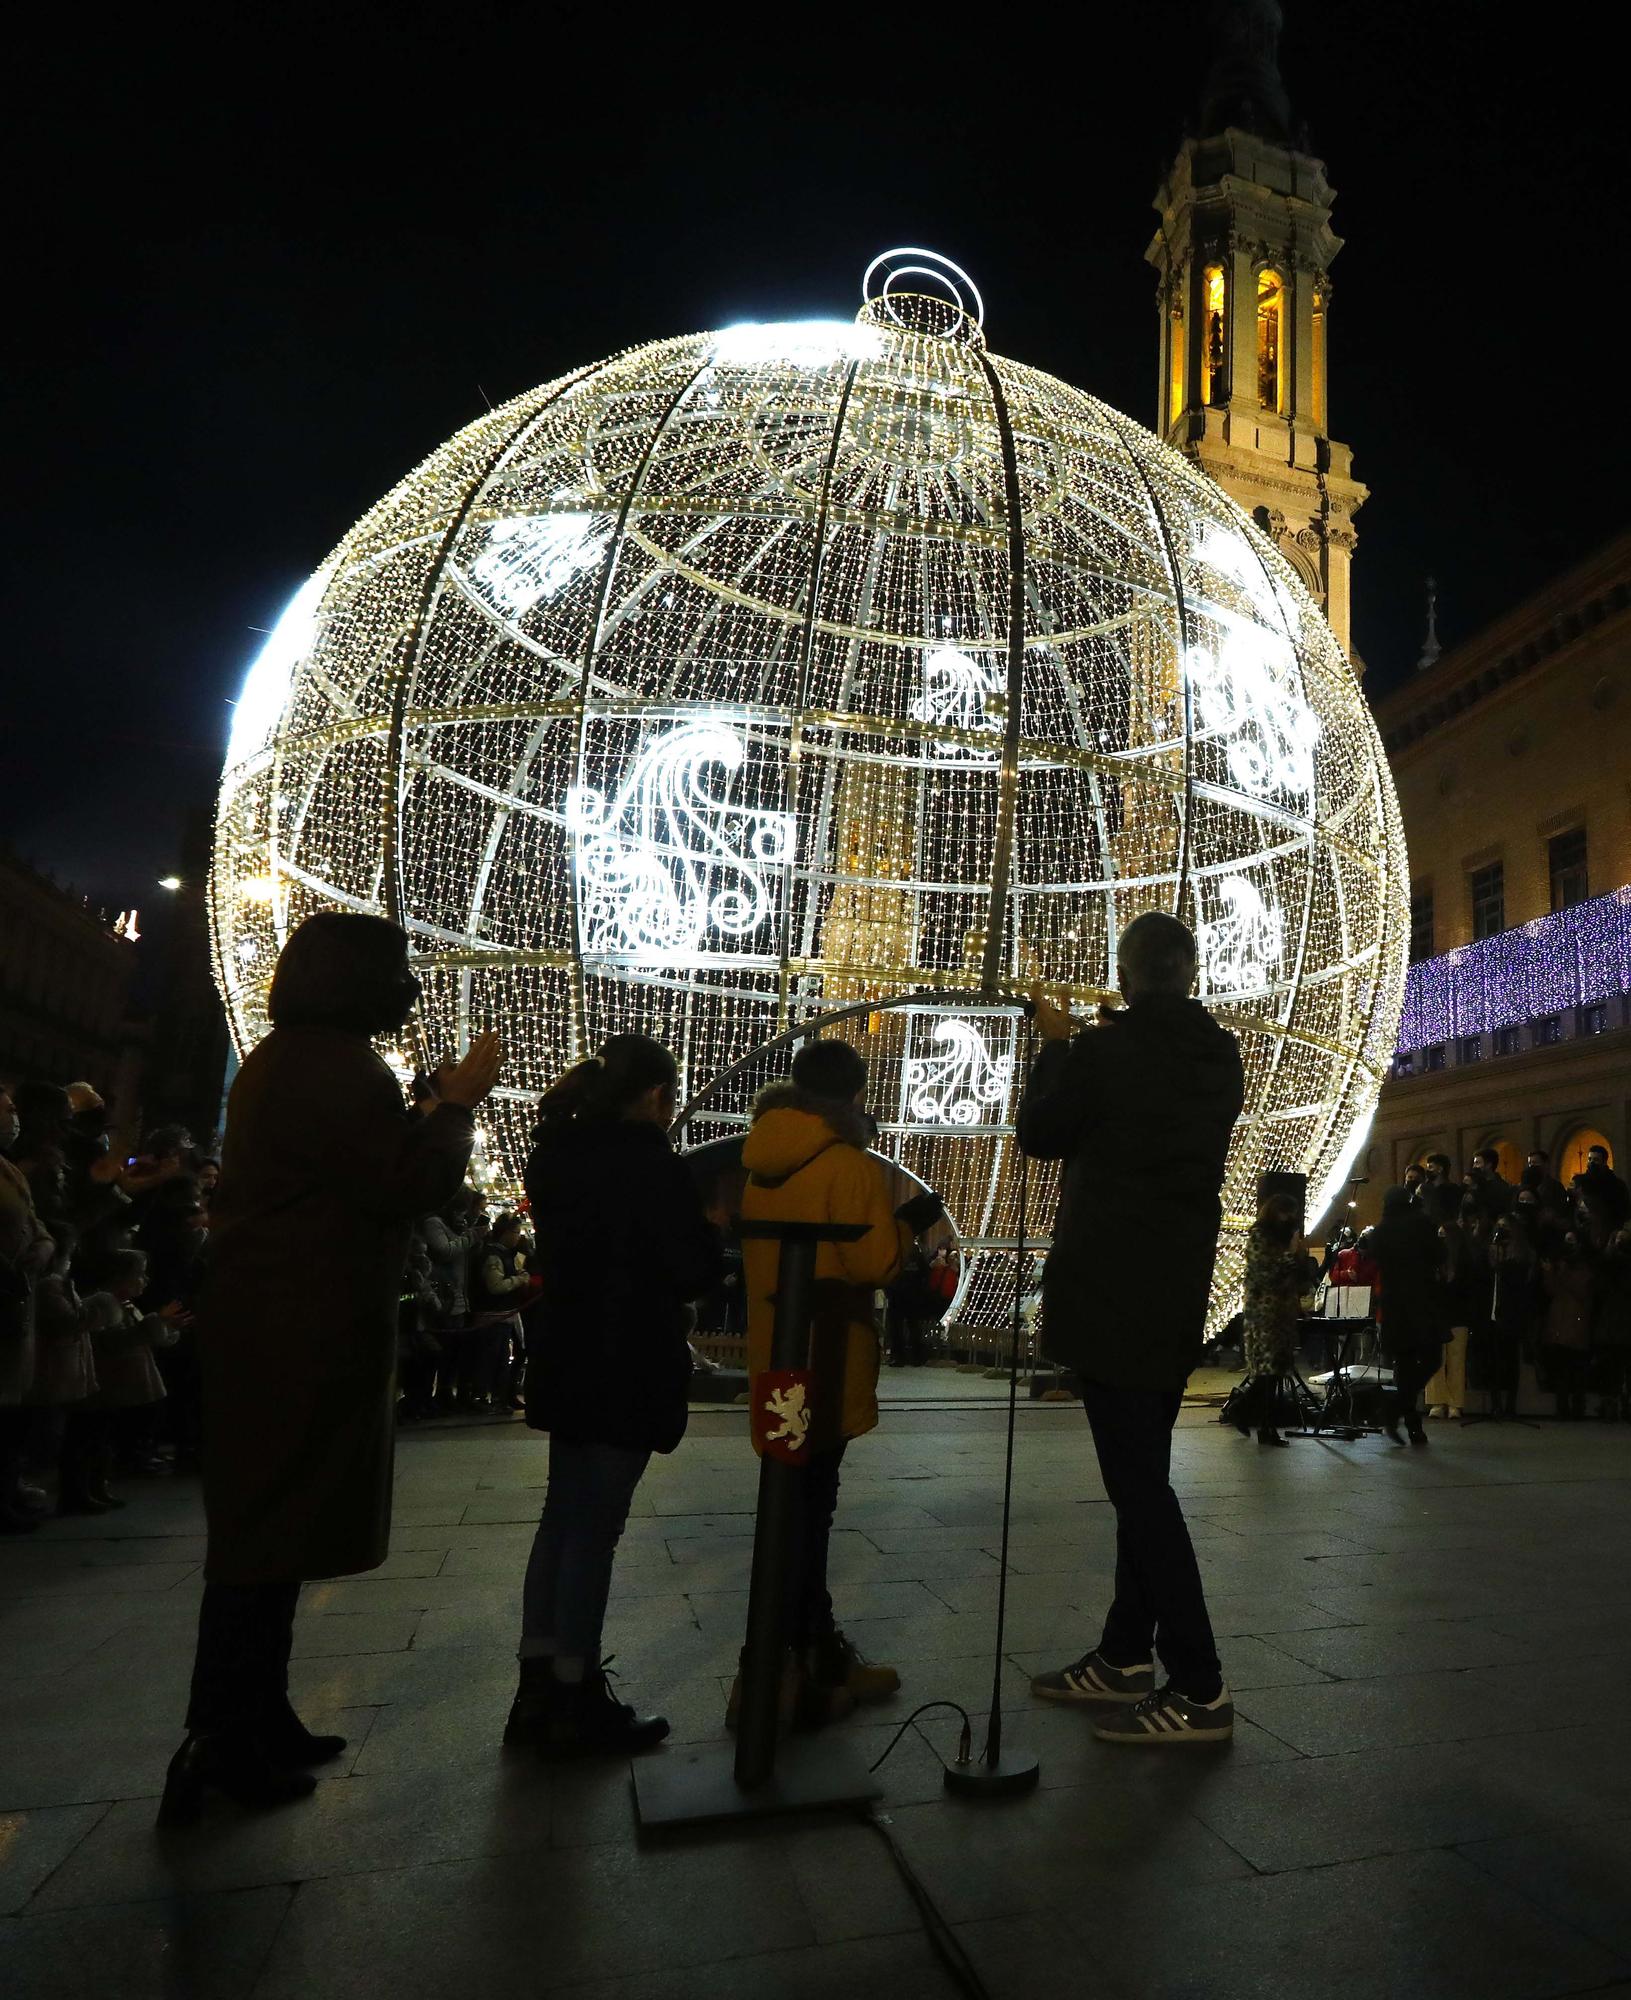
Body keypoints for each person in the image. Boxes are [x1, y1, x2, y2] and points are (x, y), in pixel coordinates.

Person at [159, 912, 496, 1826]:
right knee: (261, 1540)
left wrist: (425, 1105)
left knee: (275, 1537)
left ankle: (257, 1716)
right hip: (289, 1333)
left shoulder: (305, 1059)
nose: (412, 987)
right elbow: (402, 1183)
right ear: (356, 979)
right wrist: (457, 1104)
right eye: (397, 970)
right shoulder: (327, 1066)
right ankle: (218, 1743)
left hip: (288, 1326)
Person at [1020, 910, 1245, 1746]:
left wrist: (1055, 1046)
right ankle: (1122, 1656)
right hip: (1177, 1292)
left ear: (1126, 973)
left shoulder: (1103, 1053)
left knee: (1140, 1491)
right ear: (1188, 973)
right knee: (1140, 1478)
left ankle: (1199, 1684)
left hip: (1110, 1294)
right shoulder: (1220, 1056)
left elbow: (1041, 1135)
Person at [511, 1034, 721, 1758]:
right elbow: (690, 1267)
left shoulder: (554, 1155)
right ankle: (576, 1696)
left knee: (560, 1520)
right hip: (626, 1361)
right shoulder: (646, 1161)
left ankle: (534, 1687)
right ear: (658, 1096)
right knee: (594, 1530)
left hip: (565, 1353)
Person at [737, 1037, 914, 1721]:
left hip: (776, 1361)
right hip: (829, 1358)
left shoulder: (761, 1160)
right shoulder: (849, 1166)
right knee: (809, 1516)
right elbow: (874, 1264)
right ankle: (786, 1669)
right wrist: (901, 1231)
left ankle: (813, 1651)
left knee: (791, 1508)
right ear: (859, 1093)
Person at [1, 1083, 55, 1532]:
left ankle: (8, 1489)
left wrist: (42, 1247)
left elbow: (36, 1224)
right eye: (7, 1110)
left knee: (11, 1410)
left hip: (19, 1296)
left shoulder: (10, 1171)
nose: (14, 1117)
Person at [1368, 1186, 1450, 1443]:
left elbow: (1373, 1259)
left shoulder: (1380, 1231)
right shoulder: (1421, 1224)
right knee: (1432, 1358)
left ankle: (1411, 1422)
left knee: (1403, 1365)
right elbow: (1440, 1254)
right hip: (1422, 1301)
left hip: (1394, 1306)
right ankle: (1397, 1410)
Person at [1237, 1194, 1309, 1446]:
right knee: (1267, 1372)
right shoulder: (1259, 1236)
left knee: (1277, 1372)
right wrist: (1290, 1254)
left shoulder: (1285, 1237)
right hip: (1264, 1313)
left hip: (1284, 1313)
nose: (1290, 1218)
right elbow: (1263, 1274)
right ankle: (1242, 1411)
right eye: (1285, 1213)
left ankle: (1266, 1427)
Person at [1572, 1145, 1631, 1232]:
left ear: (1604, 1162)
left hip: (1607, 1231)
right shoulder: (1579, 1181)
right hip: (1583, 1232)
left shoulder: (1617, 1185)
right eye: (1590, 1159)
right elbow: (1573, 1207)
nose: (1591, 1162)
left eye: (1596, 1160)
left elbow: (1622, 1212)